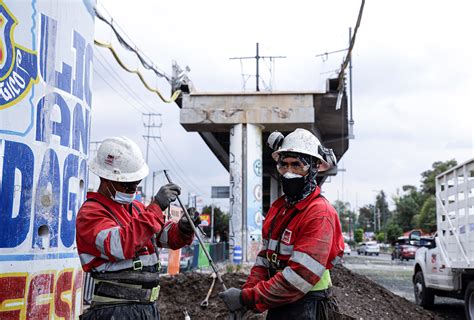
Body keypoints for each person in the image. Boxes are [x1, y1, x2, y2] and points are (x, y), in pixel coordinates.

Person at [219, 128, 345, 320]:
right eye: (283, 165)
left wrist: (246, 299)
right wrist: (246, 296)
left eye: (297, 165)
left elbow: (299, 277)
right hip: (281, 302)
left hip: (309, 306)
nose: (288, 173)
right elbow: (264, 260)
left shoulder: (319, 213)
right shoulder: (279, 209)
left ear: (313, 168)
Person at [76, 136, 200, 319]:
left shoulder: (137, 209)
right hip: (114, 311)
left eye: (137, 182)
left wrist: (183, 228)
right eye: (128, 184)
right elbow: (120, 245)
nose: (134, 188)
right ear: (107, 179)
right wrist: (156, 206)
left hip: (145, 309)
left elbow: (164, 236)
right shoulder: (91, 214)